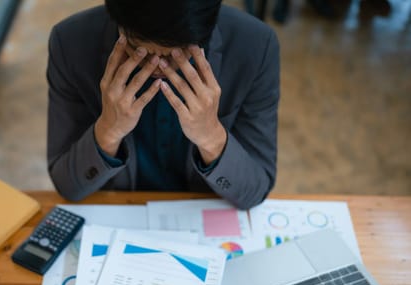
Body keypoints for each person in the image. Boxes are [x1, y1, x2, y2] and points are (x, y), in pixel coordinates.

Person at [47, 0, 280, 209]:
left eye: (176, 55)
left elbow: (254, 192)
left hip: (201, 216)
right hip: (121, 211)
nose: (159, 67)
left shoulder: (255, 45)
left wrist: (212, 137)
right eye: (140, 52)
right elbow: (68, 186)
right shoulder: (70, 42)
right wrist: (108, 131)